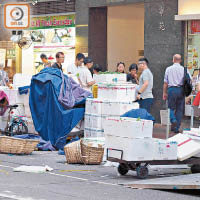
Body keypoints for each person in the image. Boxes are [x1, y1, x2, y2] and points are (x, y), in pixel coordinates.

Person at [163, 54, 188, 133]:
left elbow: (165, 83)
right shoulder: (184, 69)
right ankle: (176, 128)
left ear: (173, 60)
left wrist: (164, 92)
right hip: (181, 90)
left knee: (170, 108)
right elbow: (189, 79)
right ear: (180, 60)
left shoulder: (168, 69)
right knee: (179, 110)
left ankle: (173, 119)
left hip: (171, 90)